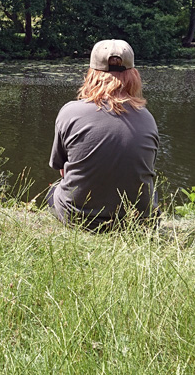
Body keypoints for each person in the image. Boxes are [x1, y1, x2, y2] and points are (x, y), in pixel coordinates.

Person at [47, 39, 159, 231]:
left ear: (91, 74)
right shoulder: (147, 118)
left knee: (53, 190)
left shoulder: (70, 112)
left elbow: (62, 169)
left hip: (80, 220)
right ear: (133, 75)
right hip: (138, 223)